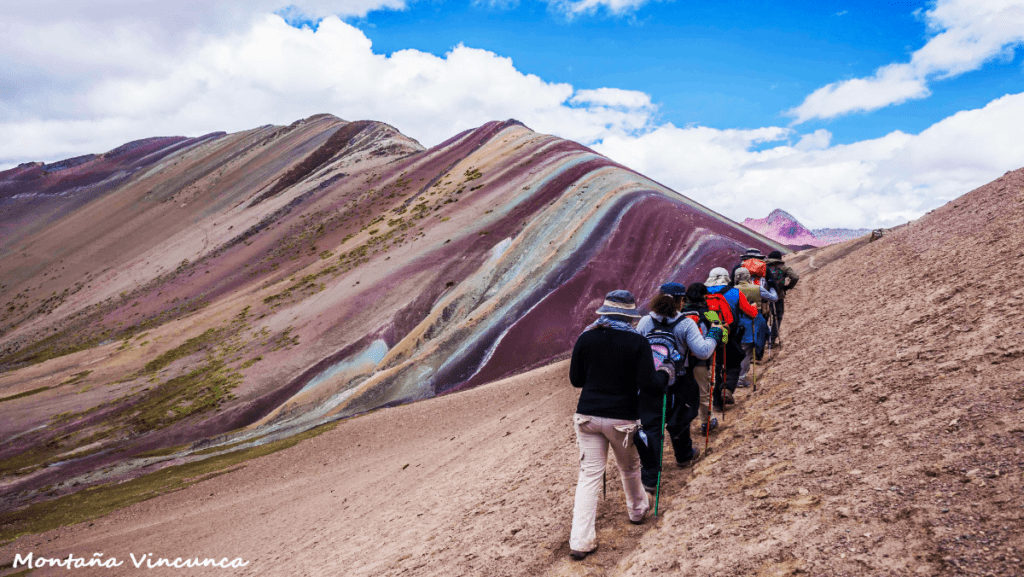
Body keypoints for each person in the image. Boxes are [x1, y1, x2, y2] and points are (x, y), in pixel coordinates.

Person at [568, 290, 663, 560]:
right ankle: (636, 511)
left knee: (589, 476)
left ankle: (580, 541)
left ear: (605, 313)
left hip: (587, 415)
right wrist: (665, 373)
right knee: (629, 466)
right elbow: (648, 385)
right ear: (629, 316)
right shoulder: (637, 342)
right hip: (622, 418)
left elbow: (576, 380)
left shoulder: (586, 337)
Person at [635, 283, 720, 491]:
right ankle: (684, 456)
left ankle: (650, 478)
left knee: (652, 427)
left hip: (650, 382)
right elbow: (702, 352)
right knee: (679, 420)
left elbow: (638, 346)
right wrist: (714, 335)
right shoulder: (685, 324)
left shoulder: (646, 321)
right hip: (679, 379)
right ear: (681, 300)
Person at [704, 267, 758, 406]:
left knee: (714, 367)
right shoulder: (735, 292)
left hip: (707, 335)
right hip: (730, 334)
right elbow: (751, 313)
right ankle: (727, 388)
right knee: (733, 364)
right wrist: (754, 307)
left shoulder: (703, 293)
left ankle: (716, 401)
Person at [733, 267, 775, 387]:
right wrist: (773, 289)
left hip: (738, 322)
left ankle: (735, 377)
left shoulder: (732, 290)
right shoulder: (757, 288)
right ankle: (741, 378)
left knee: (740, 349)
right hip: (755, 321)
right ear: (748, 277)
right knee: (748, 352)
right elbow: (773, 298)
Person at [764, 250, 799, 347]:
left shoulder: (764, 267)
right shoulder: (783, 268)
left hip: (764, 297)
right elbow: (795, 277)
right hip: (778, 296)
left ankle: (762, 339)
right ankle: (772, 340)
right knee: (777, 317)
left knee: (764, 317)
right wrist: (787, 287)